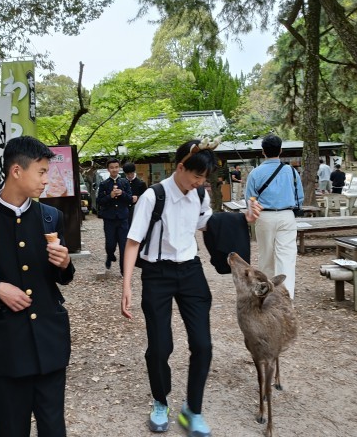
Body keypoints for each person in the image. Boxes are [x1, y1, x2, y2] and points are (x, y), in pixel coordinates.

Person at [121, 139, 261, 436]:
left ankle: (192, 410)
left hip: (190, 272)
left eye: (204, 178)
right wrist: (127, 285)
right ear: (181, 167)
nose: (200, 182)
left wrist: (244, 219)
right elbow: (133, 242)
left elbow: (207, 223)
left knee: (203, 345)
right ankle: (160, 401)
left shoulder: (199, 195)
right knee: (160, 347)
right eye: (197, 176)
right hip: (157, 274)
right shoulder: (153, 196)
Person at [0, 136, 75, 437]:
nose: (46, 180)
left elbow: (62, 278)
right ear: (17, 171)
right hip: (6, 352)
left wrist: (64, 263)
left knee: (54, 429)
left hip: (49, 346)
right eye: (41, 171)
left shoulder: (51, 218)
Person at [245, 134, 304, 300]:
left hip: (264, 216)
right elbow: (299, 197)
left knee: (266, 257)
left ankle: (267, 297)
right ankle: (286, 298)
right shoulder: (292, 171)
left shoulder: (255, 173)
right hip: (287, 215)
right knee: (286, 258)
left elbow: (250, 199)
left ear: (263, 151)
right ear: (281, 150)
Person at [97, 158, 132, 272]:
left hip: (123, 218)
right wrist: (110, 196)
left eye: (116, 167)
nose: (114, 170)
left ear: (119, 168)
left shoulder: (125, 182)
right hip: (109, 218)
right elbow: (99, 201)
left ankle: (123, 269)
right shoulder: (104, 184)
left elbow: (130, 199)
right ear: (108, 169)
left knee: (123, 245)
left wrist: (122, 193)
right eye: (112, 167)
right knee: (110, 244)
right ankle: (110, 255)